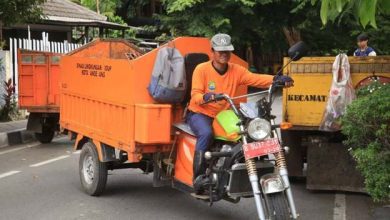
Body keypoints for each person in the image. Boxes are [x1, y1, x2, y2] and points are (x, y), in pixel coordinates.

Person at [186, 33, 294, 194]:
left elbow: (255, 78)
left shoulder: (236, 70)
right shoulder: (201, 69)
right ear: (212, 52)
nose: (224, 54)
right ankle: (200, 178)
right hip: (201, 113)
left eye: (227, 51)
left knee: (247, 131)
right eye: (220, 51)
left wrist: (276, 80)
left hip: (225, 114)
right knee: (206, 134)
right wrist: (206, 96)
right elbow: (195, 97)